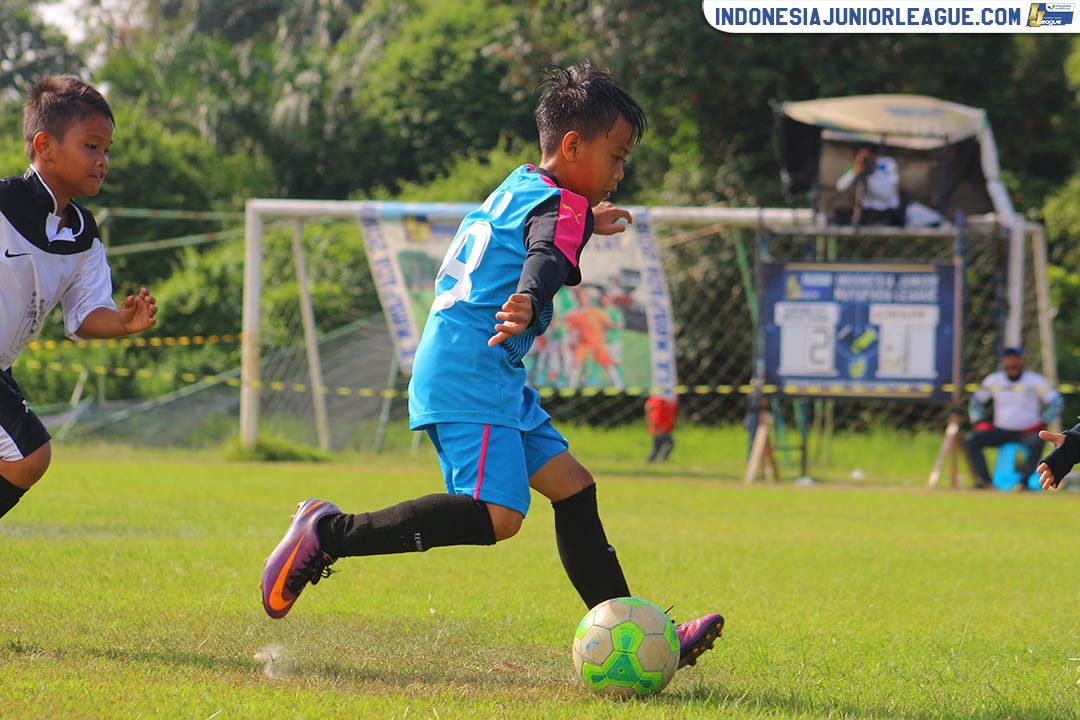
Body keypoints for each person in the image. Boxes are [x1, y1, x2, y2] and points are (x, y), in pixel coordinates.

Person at [260, 62, 724, 670]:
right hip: (469, 371)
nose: (619, 172)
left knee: (573, 486)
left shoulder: (521, 185)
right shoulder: (562, 209)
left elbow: (538, 235)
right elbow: (541, 258)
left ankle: (638, 630)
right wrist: (532, 295)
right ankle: (329, 534)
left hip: (486, 370)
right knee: (500, 516)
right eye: (616, 156)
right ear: (572, 145)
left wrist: (584, 227)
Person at [0, 75, 158, 521]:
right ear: (45, 145)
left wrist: (123, 323)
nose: (103, 161)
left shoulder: (84, 234)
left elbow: (86, 314)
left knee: (28, 456)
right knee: (29, 454)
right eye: (91, 146)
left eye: (107, 150)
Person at [963, 347, 1062, 490]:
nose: (1012, 362)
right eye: (1008, 359)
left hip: (1027, 431)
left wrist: (1045, 420)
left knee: (1037, 443)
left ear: (1021, 360)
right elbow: (976, 400)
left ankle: (1023, 483)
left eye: (1015, 359)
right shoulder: (994, 380)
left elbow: (1055, 401)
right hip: (1001, 430)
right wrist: (978, 421)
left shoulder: (1035, 381)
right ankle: (986, 482)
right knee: (972, 440)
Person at [834, 144, 902, 226]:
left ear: (875, 155)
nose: (865, 160)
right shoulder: (857, 167)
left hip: (887, 212)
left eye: (867, 156)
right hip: (867, 213)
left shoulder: (887, 164)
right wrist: (854, 172)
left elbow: (888, 194)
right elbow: (840, 186)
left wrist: (869, 178)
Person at [645, 394, 677, 463]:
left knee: (657, 447)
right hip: (659, 426)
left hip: (664, 426)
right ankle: (661, 460)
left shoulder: (671, 396)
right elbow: (648, 406)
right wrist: (651, 423)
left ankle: (649, 461)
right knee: (669, 443)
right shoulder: (658, 396)